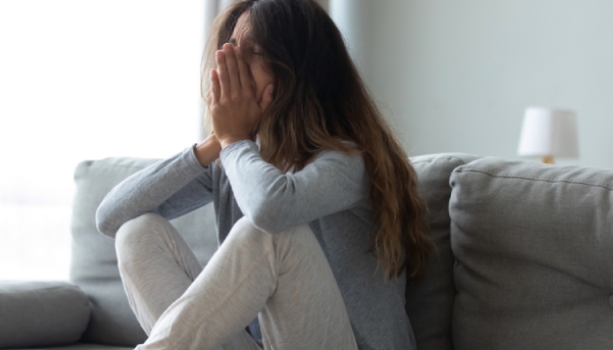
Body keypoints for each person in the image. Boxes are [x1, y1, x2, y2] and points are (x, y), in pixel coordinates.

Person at [95, 0, 434, 349]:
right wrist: (215, 142)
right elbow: (110, 217)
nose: (232, 64)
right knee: (137, 232)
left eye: (253, 51)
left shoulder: (347, 160)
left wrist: (233, 141)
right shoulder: (236, 160)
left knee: (272, 234)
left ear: (297, 72)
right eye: (230, 49)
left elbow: (271, 209)